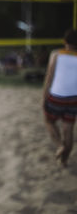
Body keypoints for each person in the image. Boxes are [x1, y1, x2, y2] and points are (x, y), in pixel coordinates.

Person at [43, 28, 77, 167]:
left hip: (57, 96)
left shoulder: (56, 54)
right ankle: (64, 160)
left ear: (64, 41)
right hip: (74, 99)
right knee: (68, 130)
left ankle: (59, 146)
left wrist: (44, 97)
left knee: (49, 121)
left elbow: (49, 78)